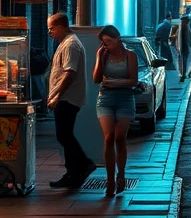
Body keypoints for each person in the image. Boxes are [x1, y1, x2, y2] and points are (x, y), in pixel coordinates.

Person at [46, 12, 95, 188]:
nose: (50, 32)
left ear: (60, 27)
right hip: (65, 97)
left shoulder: (70, 45)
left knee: (64, 135)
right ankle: (73, 173)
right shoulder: (64, 43)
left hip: (68, 98)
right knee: (65, 135)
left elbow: (70, 73)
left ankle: (84, 164)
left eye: (51, 28)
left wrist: (57, 94)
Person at [92, 25, 139, 198]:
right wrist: (99, 57)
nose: (106, 46)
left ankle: (122, 174)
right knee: (109, 137)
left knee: (120, 137)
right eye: (103, 43)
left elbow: (133, 80)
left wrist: (115, 83)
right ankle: (110, 179)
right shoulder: (103, 55)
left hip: (125, 99)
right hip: (105, 99)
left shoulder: (130, 56)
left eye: (108, 42)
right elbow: (96, 79)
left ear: (117, 39)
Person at [172, 14, 191, 80]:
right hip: (183, 47)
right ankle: (183, 74)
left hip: (184, 47)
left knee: (183, 61)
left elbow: (189, 37)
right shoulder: (183, 27)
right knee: (183, 61)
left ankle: (183, 74)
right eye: (187, 20)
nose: (188, 21)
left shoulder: (186, 27)